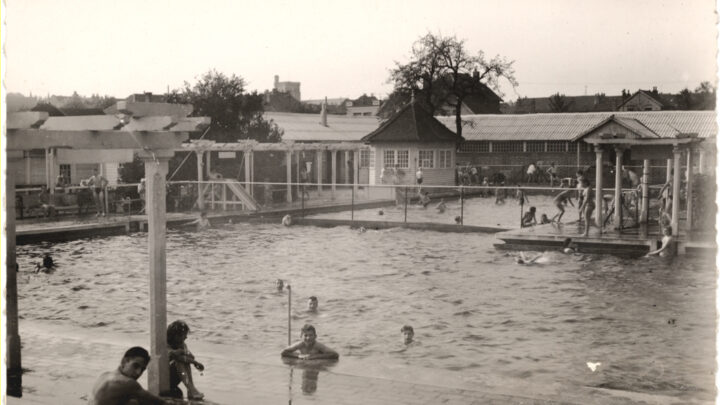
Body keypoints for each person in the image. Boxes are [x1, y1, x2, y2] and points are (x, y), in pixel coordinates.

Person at [88, 346, 168, 405]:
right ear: (124, 361)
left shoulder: (104, 375)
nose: (138, 373)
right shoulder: (128, 383)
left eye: (142, 369)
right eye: (135, 366)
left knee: (132, 402)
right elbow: (160, 402)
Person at [166, 320, 204, 400]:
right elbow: (175, 355)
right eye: (184, 335)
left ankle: (191, 389)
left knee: (185, 361)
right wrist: (193, 361)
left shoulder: (181, 344)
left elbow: (191, 356)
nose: (186, 337)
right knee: (179, 361)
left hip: (175, 377)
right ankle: (191, 389)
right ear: (176, 336)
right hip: (164, 378)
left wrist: (194, 361)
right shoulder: (165, 343)